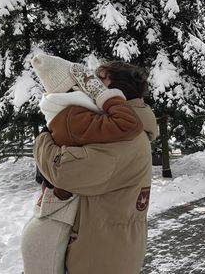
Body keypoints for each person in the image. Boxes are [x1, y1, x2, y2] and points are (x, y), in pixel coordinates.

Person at [32, 57, 158, 274]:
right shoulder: (120, 129)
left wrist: (43, 140)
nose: (89, 84)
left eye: (98, 80)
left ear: (114, 88)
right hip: (108, 247)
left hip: (102, 256)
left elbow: (65, 171)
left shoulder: (125, 137)